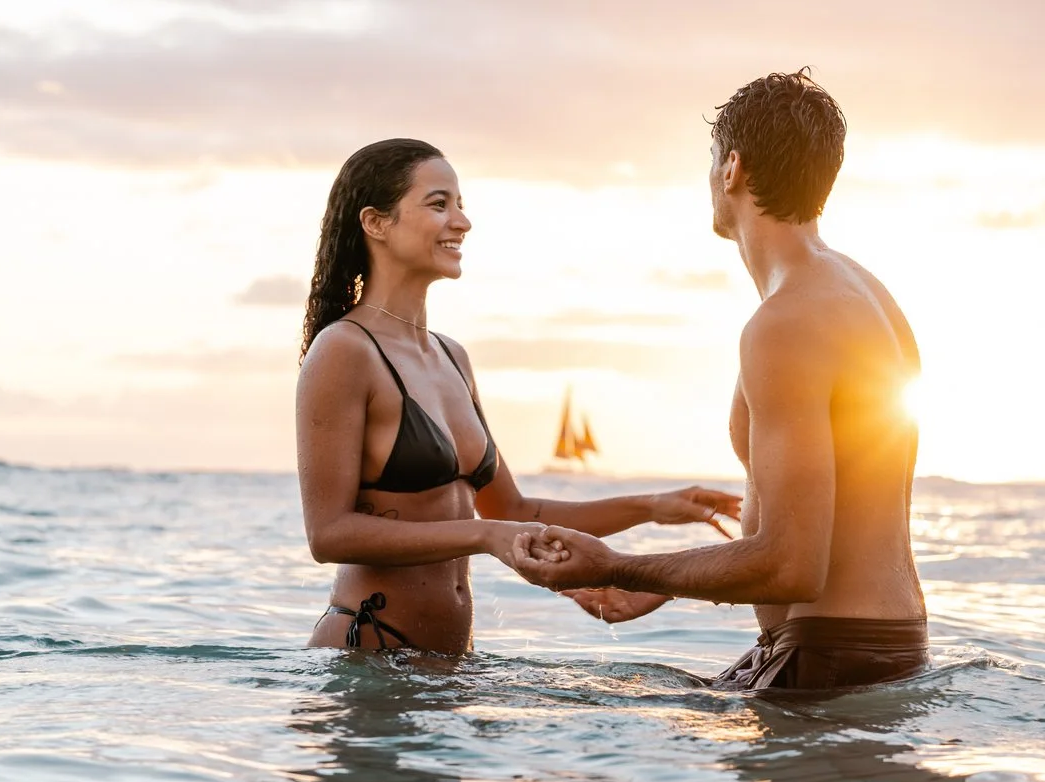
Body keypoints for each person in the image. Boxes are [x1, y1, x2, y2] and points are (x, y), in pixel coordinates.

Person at [509, 72, 927, 691]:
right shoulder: (864, 295)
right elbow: (822, 523)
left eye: (710, 162)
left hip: (831, 657)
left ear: (731, 168)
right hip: (873, 648)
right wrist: (671, 584)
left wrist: (621, 568)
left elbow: (792, 566)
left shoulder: (786, 322)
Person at [296, 138, 741, 655]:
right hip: (367, 655)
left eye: (461, 205)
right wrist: (487, 536)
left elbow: (513, 508)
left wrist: (652, 506)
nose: (462, 222)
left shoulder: (451, 356)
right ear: (376, 222)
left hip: (446, 671)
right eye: (439, 204)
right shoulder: (344, 351)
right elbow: (329, 535)